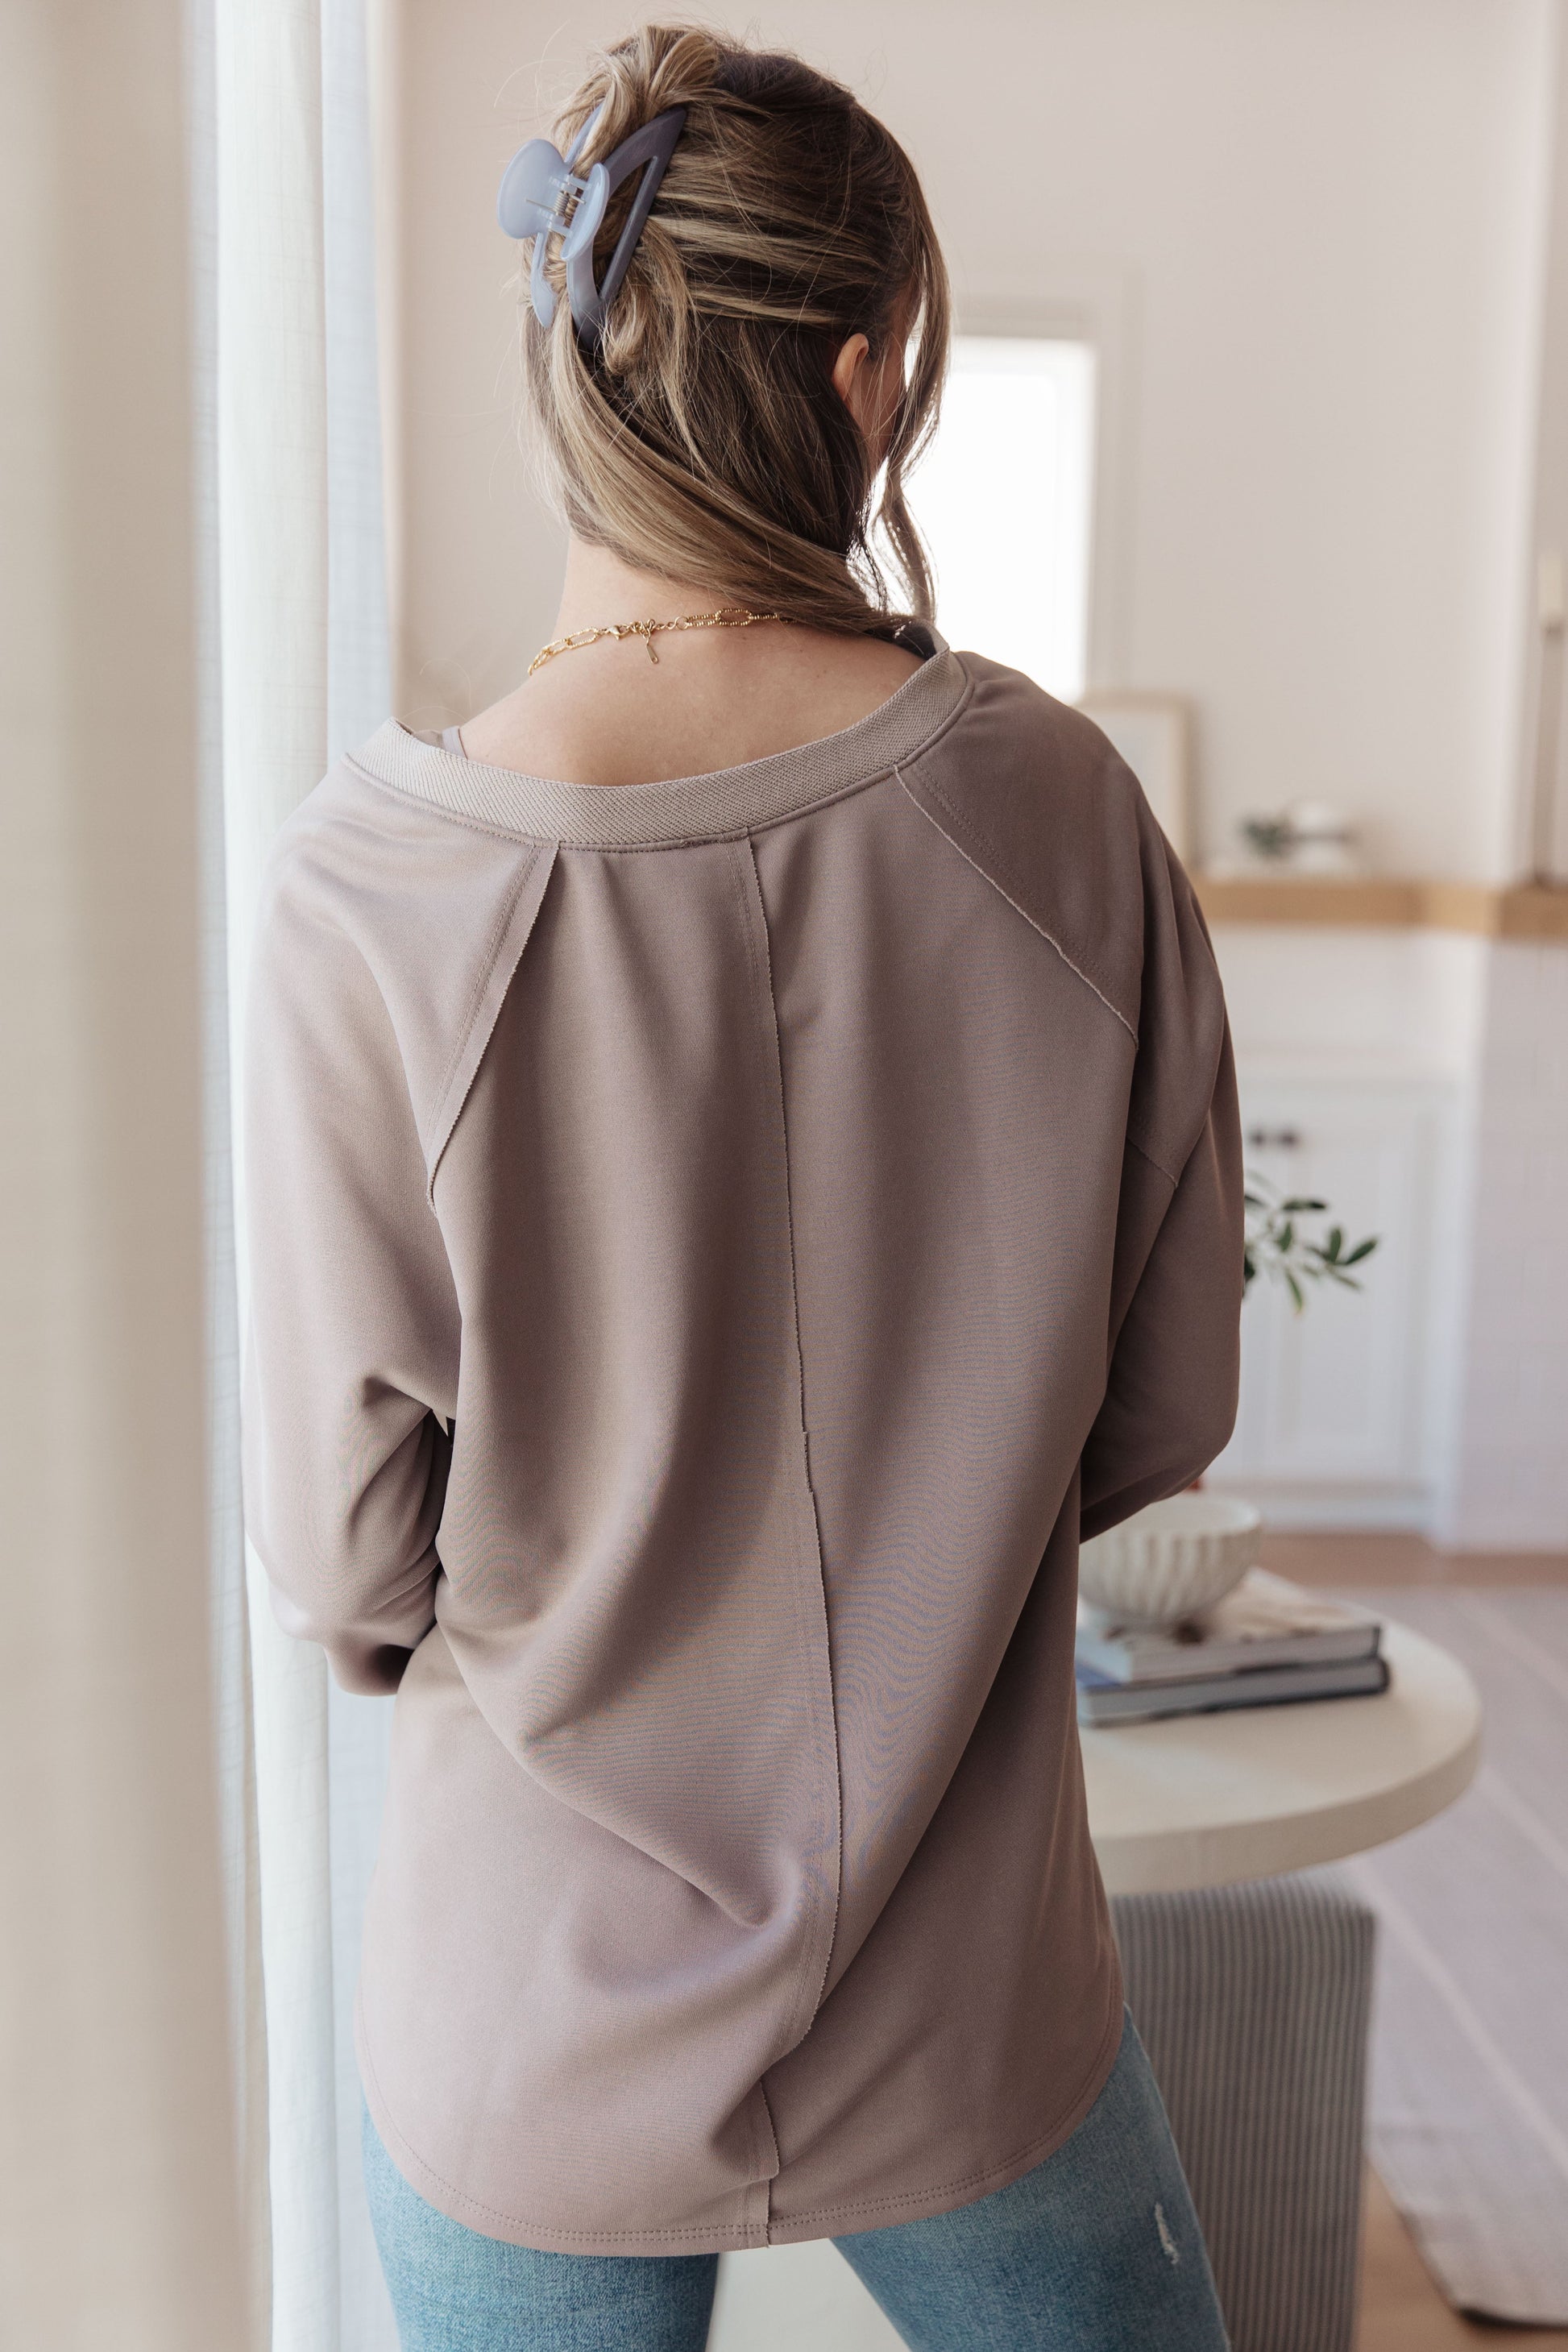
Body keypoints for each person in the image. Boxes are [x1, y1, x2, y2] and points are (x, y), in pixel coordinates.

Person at [243, 24, 1242, 2350]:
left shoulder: (368, 889)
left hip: (532, 2016)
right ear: (869, 378)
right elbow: (1157, 1412)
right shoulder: (1062, 811)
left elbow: (348, 1559)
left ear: (561, 360)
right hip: (974, 1995)